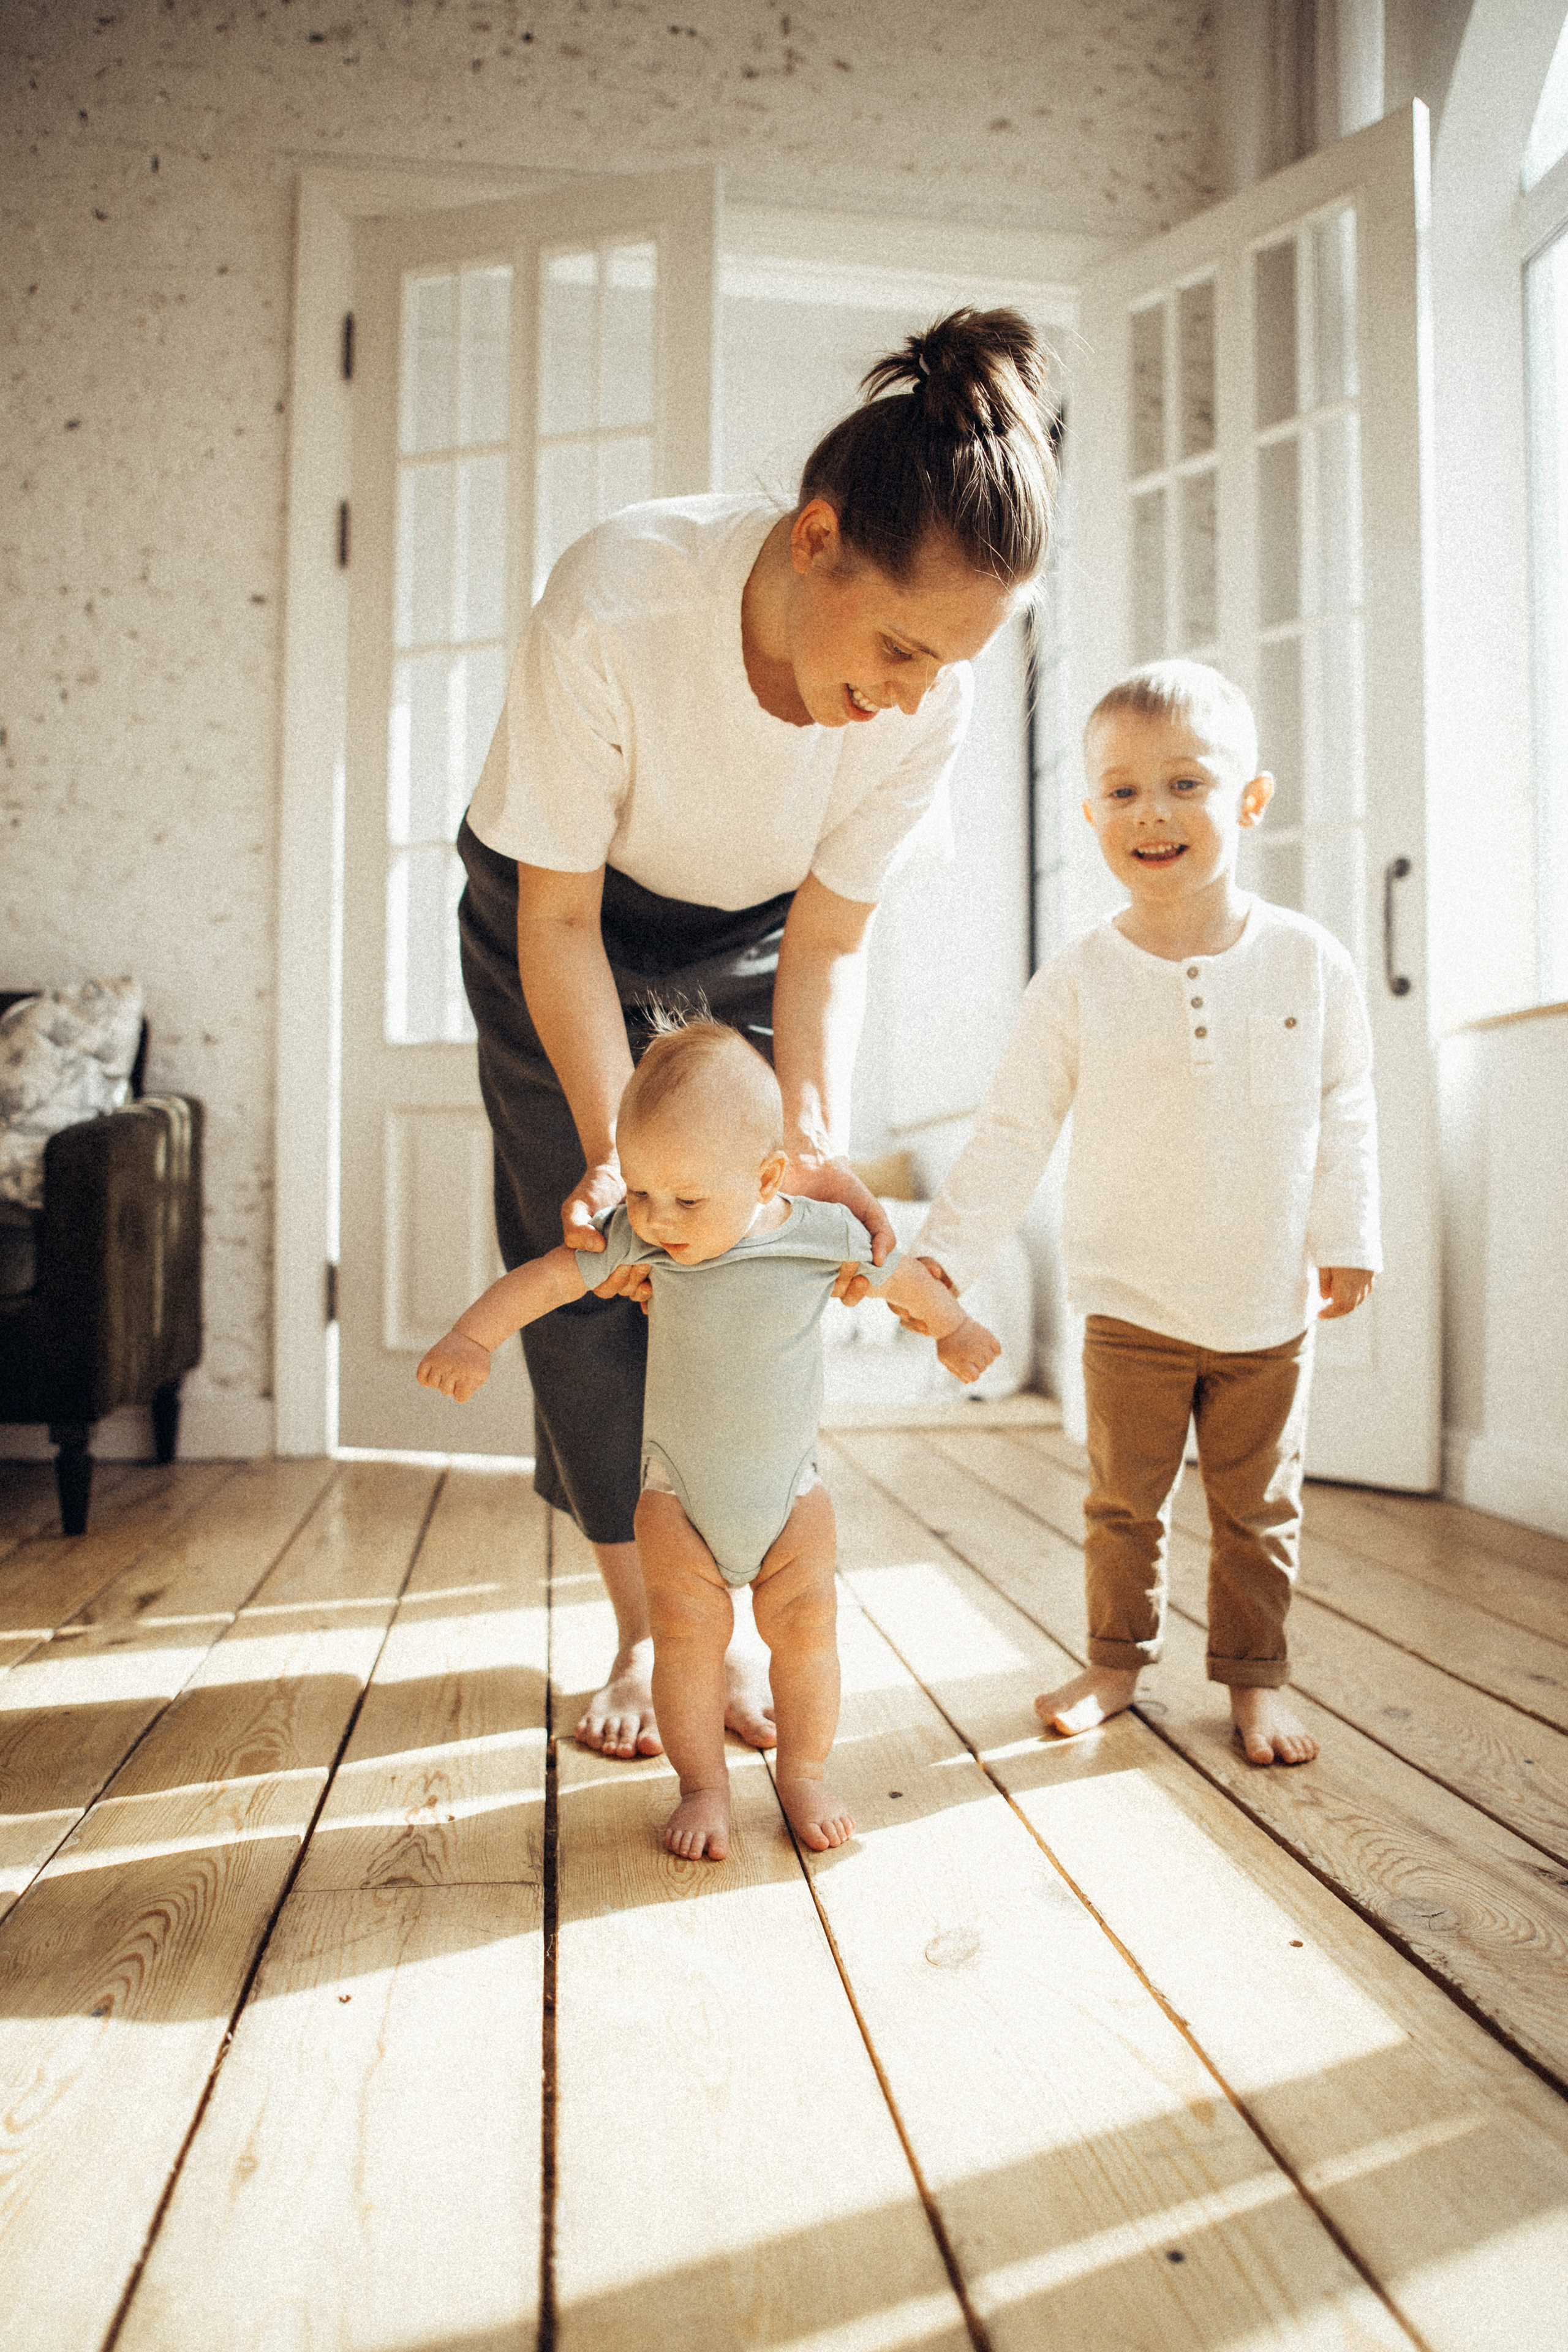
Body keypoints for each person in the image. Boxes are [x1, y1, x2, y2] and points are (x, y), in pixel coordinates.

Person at [456, 307, 1058, 1762]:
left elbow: (832, 941)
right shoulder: (619, 598)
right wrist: (623, 1158)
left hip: (753, 935)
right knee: (615, 1254)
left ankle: (723, 1590)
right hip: (559, 912)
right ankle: (643, 1628)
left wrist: (810, 1143)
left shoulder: (931, 700)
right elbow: (556, 927)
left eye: (947, 665)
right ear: (812, 538)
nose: (913, 691)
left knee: (739, 1246)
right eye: (901, 645)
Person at [913, 659, 1381, 1766]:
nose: (1152, 813)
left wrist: (1349, 1236)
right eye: (1122, 792)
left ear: (1249, 800)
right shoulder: (1078, 979)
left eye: (1184, 783)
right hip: (1130, 1301)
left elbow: (1347, 1106)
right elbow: (1014, 1129)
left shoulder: (1309, 963)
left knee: (1257, 1513)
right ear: (1090, 814)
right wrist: (944, 1262)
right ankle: (1116, 1663)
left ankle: (1255, 1681)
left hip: (1268, 1303)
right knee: (1123, 1508)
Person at [417, 1019, 1000, 1860]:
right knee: (686, 1640)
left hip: (792, 1495)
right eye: (644, 1192)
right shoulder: (644, 1238)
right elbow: (544, 1279)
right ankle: (704, 1786)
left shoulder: (818, 1232)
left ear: (769, 1177)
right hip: (676, 1497)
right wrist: (475, 1337)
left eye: (687, 1200)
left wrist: (954, 1329)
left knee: (808, 1631)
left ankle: (803, 1772)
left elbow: (899, 1278)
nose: (657, 1220)